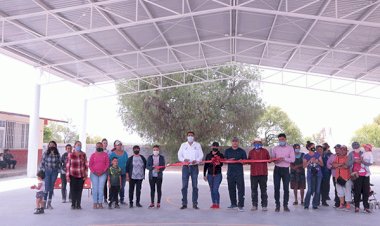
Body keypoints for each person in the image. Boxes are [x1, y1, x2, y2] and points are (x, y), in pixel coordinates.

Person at [178, 131, 204, 210]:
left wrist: (196, 160)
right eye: (189, 135)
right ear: (187, 136)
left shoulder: (197, 145)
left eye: (191, 135)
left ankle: (195, 204)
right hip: (185, 167)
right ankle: (184, 204)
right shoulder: (183, 145)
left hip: (194, 167)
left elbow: (201, 155)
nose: (190, 137)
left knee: (195, 186)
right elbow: (179, 155)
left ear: (194, 136)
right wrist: (183, 160)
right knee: (184, 186)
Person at [271, 133, 295, 212]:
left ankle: (285, 205)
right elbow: (273, 159)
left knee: (286, 189)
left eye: (282, 139)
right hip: (277, 169)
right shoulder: (275, 148)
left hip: (285, 170)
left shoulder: (290, 148)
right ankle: (277, 205)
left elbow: (292, 159)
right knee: (276, 188)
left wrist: (284, 158)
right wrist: (276, 161)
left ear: (285, 139)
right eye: (279, 140)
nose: (281, 141)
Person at [349, 142, 373, 213]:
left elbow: (369, 163)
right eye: (355, 147)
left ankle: (366, 207)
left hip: (366, 175)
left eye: (357, 147)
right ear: (353, 148)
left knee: (366, 191)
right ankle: (357, 206)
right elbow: (347, 164)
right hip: (357, 175)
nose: (356, 148)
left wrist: (362, 162)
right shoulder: (351, 154)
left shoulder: (364, 153)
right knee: (357, 191)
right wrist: (354, 160)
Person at [224, 137, 247, 212]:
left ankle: (241, 205)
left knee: (240, 189)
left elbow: (245, 161)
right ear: (231, 142)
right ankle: (233, 204)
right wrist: (228, 160)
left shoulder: (242, 151)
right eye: (233, 141)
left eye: (236, 141)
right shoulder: (227, 151)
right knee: (231, 188)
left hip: (239, 173)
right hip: (230, 173)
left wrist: (242, 161)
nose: (235, 143)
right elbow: (224, 161)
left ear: (238, 142)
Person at [248, 138, 270, 211]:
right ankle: (254, 205)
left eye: (259, 143)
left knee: (263, 190)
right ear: (253, 144)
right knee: (254, 190)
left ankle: (264, 205)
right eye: (256, 143)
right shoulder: (251, 152)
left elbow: (269, 160)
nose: (257, 144)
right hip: (254, 174)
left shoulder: (265, 151)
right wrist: (242, 161)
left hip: (263, 173)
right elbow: (248, 161)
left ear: (261, 144)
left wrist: (273, 159)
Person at [66, 141, 88, 209]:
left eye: (80, 145)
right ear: (74, 146)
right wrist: (67, 176)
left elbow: (86, 165)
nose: (79, 146)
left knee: (79, 190)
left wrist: (86, 175)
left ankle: (78, 204)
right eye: (78, 145)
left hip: (81, 175)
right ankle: (73, 204)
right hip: (72, 175)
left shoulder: (83, 154)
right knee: (73, 190)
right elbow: (68, 165)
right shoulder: (70, 154)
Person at [40, 141, 61, 210]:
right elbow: (42, 163)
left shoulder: (57, 154)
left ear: (55, 146)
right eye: (50, 145)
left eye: (53, 145)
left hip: (54, 172)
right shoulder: (45, 153)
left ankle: (49, 203)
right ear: (48, 146)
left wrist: (59, 170)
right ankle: (44, 203)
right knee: (46, 187)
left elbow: (59, 163)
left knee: (51, 187)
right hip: (47, 172)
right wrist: (42, 171)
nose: (51, 146)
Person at [203, 142, 224, 209]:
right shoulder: (208, 155)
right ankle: (213, 203)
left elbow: (221, 164)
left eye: (216, 146)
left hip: (217, 175)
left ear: (218, 147)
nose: (215, 147)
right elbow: (205, 165)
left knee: (215, 189)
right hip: (209, 175)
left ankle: (217, 203)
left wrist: (218, 163)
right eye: (213, 146)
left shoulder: (220, 155)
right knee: (212, 189)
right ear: (211, 147)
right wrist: (204, 175)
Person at [303, 141, 323, 209]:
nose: (314, 148)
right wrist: (309, 161)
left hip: (318, 174)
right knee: (309, 190)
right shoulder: (306, 156)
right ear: (308, 148)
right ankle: (306, 204)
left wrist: (317, 161)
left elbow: (322, 164)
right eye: (312, 147)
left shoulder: (318, 155)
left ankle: (315, 204)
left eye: (314, 146)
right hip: (310, 175)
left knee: (317, 190)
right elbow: (304, 166)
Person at [89, 142, 109, 209]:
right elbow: (90, 165)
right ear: (96, 147)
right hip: (94, 174)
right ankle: (95, 202)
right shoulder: (93, 155)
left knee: (101, 188)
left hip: (103, 174)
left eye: (100, 146)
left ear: (102, 147)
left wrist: (103, 171)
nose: (98, 147)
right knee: (95, 188)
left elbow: (107, 164)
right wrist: (94, 172)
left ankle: (100, 203)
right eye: (97, 146)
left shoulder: (105, 155)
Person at [109, 140, 128, 205]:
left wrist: (127, 174)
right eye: (118, 145)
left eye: (120, 145)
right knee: (114, 186)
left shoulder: (125, 153)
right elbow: (110, 164)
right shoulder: (112, 154)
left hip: (123, 173)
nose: (119, 146)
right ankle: (114, 199)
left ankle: (122, 199)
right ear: (115, 146)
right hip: (115, 174)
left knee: (122, 187)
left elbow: (127, 163)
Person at [333, 145, 351, 210]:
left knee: (347, 191)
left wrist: (338, 166)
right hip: (338, 177)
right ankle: (342, 204)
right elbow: (333, 165)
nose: (343, 151)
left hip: (346, 178)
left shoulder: (348, 157)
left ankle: (348, 204)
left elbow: (346, 166)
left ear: (346, 151)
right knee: (340, 192)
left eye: (344, 149)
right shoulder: (337, 157)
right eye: (342, 149)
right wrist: (341, 165)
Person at [101, 138, 110, 204]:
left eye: (106, 143)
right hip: (99, 171)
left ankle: (105, 198)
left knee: (105, 184)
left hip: (107, 170)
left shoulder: (109, 152)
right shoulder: (98, 151)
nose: (105, 144)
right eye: (104, 143)